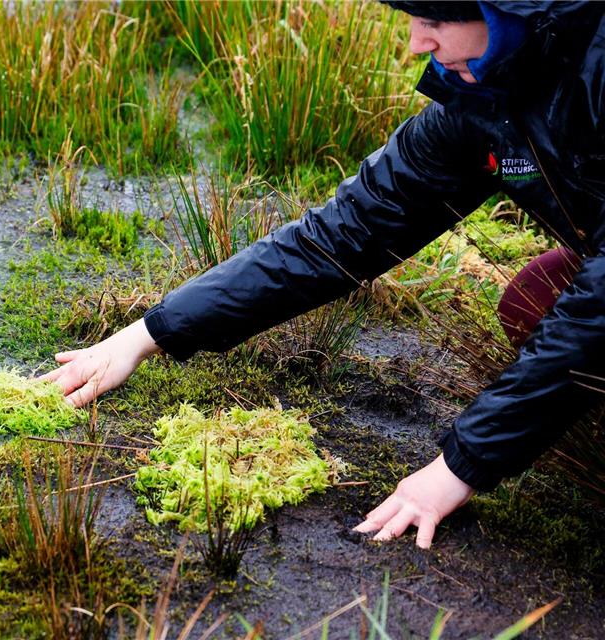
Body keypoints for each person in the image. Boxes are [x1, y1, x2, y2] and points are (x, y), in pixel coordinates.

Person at [42, 1, 605, 548]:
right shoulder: (483, 104)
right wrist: (149, 334)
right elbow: (342, 233)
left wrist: (460, 466)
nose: (416, 42)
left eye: (436, 20)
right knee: (533, 302)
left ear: (514, 13)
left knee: (568, 309)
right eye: (412, 19)